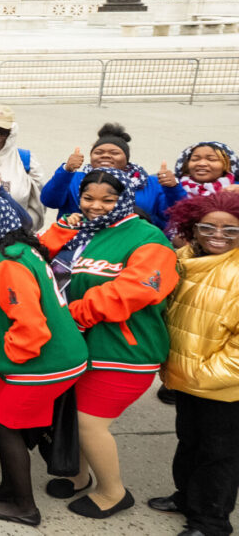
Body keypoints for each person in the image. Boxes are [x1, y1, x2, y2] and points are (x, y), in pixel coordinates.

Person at [38, 168, 178, 518]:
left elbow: (132, 291)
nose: (95, 206)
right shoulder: (84, 231)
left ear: (126, 199)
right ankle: (78, 474)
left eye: (107, 200)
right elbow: (37, 256)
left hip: (124, 351)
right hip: (80, 347)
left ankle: (113, 492)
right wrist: (61, 228)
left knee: (90, 423)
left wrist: (69, 315)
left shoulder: (149, 239)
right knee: (71, 415)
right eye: (88, 198)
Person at [0, 194, 88, 528]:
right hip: (53, 358)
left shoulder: (9, 262)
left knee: (4, 423)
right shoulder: (18, 248)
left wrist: (8, 363)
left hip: (43, 362)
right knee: (0, 416)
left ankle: (24, 506)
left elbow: (31, 327)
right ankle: (9, 488)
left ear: (1, 223)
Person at [151, 191, 239, 536]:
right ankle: (186, 497)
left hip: (222, 384)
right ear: (193, 227)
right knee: (189, 440)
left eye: (231, 231)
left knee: (219, 453)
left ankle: (212, 521)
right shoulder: (182, 259)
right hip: (184, 376)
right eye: (209, 228)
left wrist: (204, 375)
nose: (218, 236)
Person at [41, 122, 186, 230]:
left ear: (126, 158)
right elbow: (49, 200)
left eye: (114, 153)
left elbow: (174, 215)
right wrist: (66, 171)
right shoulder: (74, 178)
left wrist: (173, 188)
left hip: (133, 241)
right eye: (99, 152)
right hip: (78, 240)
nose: (105, 155)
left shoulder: (151, 183)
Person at [0, 105, 45, 226]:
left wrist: (27, 227)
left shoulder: (26, 160)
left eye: (2, 132)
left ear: (11, 133)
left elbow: (39, 200)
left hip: (16, 233)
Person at [174, 140, 239, 197]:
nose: (202, 164)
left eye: (212, 159)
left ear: (227, 165)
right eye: (195, 159)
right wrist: (172, 190)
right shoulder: (172, 187)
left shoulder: (236, 189)